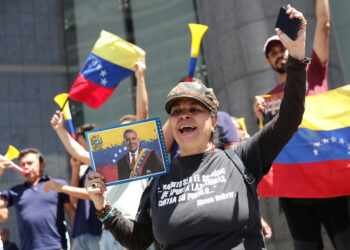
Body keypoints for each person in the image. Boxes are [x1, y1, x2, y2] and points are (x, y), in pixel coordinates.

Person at [86, 6, 307, 249]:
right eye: (177, 112)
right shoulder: (159, 179)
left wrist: (296, 57)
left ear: (213, 121)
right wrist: (102, 205)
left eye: (194, 109)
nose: (184, 116)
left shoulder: (242, 158)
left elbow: (290, 116)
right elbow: (138, 240)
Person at [255, 1, 350, 249]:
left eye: (281, 49)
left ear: (290, 47)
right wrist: (259, 117)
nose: (278, 54)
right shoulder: (268, 102)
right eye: (272, 53)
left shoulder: (314, 72)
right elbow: (269, 144)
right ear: (268, 63)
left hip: (330, 176)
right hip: (295, 189)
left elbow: (325, 24)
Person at [51, 58, 154, 250]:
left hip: (134, 227)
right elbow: (79, 153)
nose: (126, 137)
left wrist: (140, 78)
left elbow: (143, 116)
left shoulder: (142, 157)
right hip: (109, 230)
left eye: (131, 132)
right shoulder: (110, 160)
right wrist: (60, 131)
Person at [0, 148, 75, 250]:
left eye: (30, 163)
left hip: (57, 247)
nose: (26, 167)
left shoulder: (58, 185)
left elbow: (71, 213)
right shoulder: (15, 191)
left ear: (42, 164)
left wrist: (74, 242)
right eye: (23, 164)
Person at [43, 123, 102, 250]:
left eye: (80, 144)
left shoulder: (102, 165)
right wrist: (75, 169)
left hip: (98, 233)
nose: (78, 148)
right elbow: (73, 200)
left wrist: (61, 188)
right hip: (80, 232)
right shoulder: (85, 170)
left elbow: (92, 195)